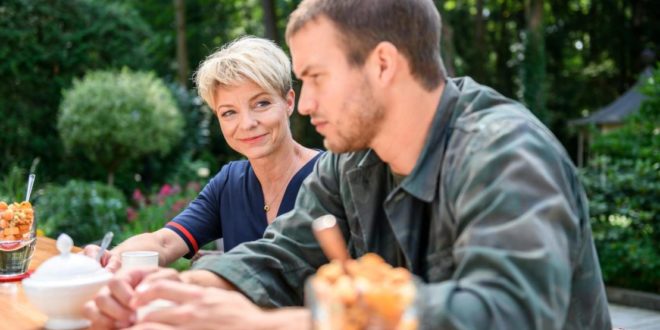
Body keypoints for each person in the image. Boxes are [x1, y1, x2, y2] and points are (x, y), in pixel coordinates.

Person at [85, 0, 613, 329]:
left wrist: (280, 324)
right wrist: (168, 293)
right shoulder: (350, 161)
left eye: (314, 78)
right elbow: (280, 257)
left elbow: (506, 314)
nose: (305, 103)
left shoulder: (506, 152)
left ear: (382, 64)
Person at [83, 36, 321, 272]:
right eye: (229, 112)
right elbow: (164, 242)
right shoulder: (229, 183)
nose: (247, 123)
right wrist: (112, 257)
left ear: (289, 102)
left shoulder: (331, 176)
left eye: (261, 104)